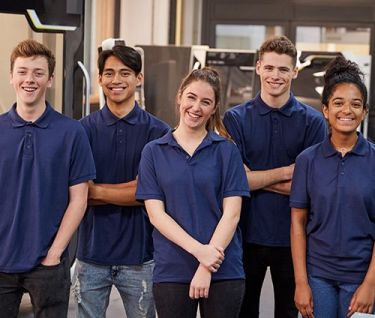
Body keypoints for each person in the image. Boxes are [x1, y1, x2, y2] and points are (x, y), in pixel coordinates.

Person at [223, 35, 327, 318]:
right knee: (243, 312)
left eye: (283, 69)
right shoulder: (235, 118)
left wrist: (257, 179)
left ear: (294, 72)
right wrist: (288, 172)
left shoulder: (313, 122)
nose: (275, 76)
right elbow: (237, 182)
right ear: (258, 68)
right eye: (269, 68)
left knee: (288, 313)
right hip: (245, 235)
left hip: (293, 238)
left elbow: (311, 187)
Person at [136, 67, 250, 318]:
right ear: (179, 96)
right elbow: (157, 216)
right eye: (191, 97)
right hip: (173, 270)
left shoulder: (227, 151)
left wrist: (207, 266)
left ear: (214, 108)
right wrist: (201, 253)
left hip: (224, 269)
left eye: (205, 102)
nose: (196, 107)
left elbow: (232, 215)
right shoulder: (153, 152)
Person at [0, 39, 96, 318]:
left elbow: (80, 199)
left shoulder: (71, 132)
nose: (29, 79)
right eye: (22, 71)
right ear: (11, 76)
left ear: (50, 79)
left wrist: (54, 254)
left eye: (38, 73)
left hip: (48, 262)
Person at [74, 44, 170, 318]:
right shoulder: (82, 130)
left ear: (139, 78)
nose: (116, 80)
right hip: (91, 255)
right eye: (109, 73)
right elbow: (78, 193)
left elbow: (148, 193)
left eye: (125, 73)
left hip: (141, 258)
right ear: (101, 78)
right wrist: (129, 189)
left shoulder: (158, 131)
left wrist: (97, 190)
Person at [290, 56, 375, 318]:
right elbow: (297, 224)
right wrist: (301, 283)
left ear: (365, 112)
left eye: (355, 104)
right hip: (318, 278)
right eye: (338, 103)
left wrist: (370, 285)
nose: (346, 110)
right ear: (325, 110)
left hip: (361, 277)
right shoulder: (308, 160)